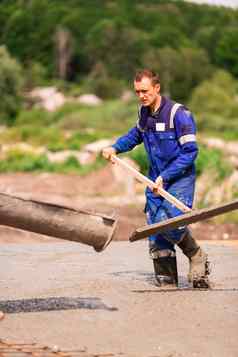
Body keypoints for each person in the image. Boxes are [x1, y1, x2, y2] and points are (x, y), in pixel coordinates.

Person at [102, 69, 210, 288]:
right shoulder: (144, 113)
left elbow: (190, 152)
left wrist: (166, 176)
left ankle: (197, 255)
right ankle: (167, 278)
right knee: (154, 226)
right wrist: (115, 147)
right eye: (137, 92)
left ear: (157, 88)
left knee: (169, 222)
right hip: (154, 180)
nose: (141, 96)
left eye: (145, 91)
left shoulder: (179, 114)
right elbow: (135, 136)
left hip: (179, 179)